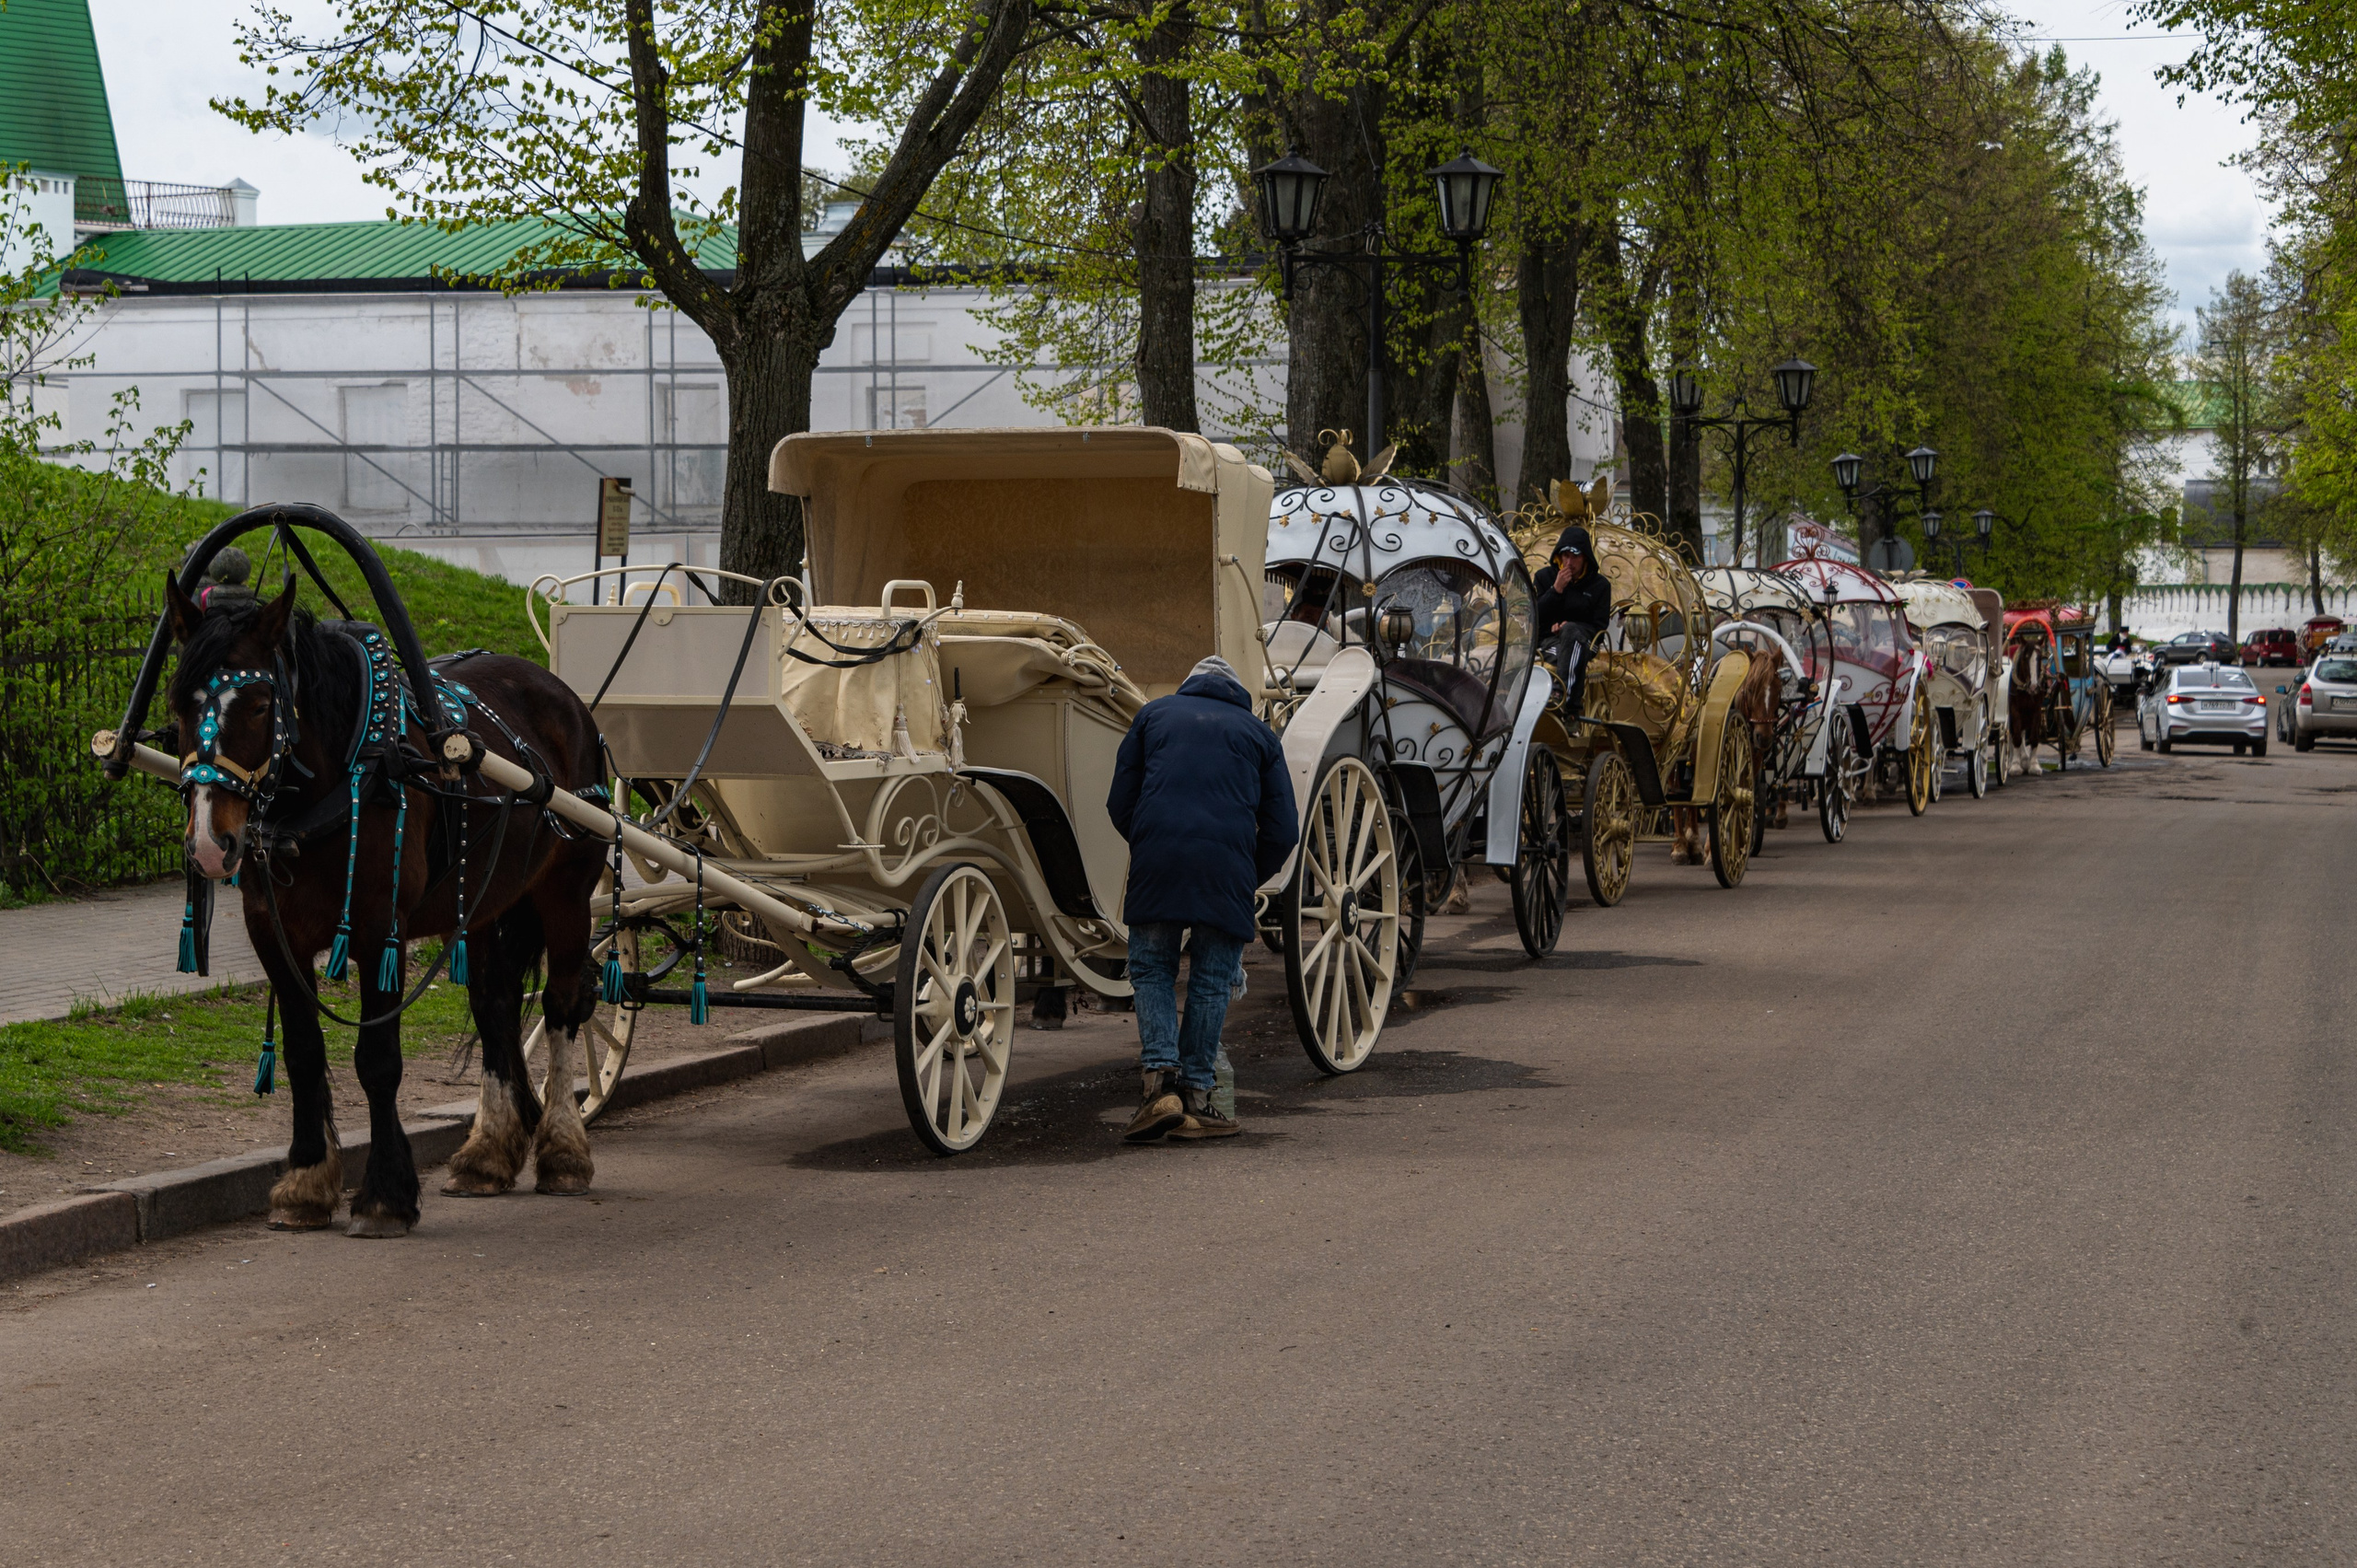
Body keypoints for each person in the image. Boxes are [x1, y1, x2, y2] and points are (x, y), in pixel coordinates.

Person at [1106, 653, 1298, 1143]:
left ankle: (1159, 1089)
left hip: (1159, 860)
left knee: (1151, 969)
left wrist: (1152, 841)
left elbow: (1119, 801)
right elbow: (1283, 830)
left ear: (1189, 686)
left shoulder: (1152, 714)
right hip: (1228, 869)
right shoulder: (1260, 734)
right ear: (1237, 693)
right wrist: (1245, 873)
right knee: (1211, 981)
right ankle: (1197, 1100)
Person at [1532, 525, 1613, 710]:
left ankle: (1560, 696)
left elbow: (1599, 629)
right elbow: (1534, 616)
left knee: (1572, 635)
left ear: (1585, 557)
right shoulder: (1544, 577)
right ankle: (1571, 709)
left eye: (1575, 556)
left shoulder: (1600, 586)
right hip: (1549, 643)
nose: (1569, 562)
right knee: (1567, 652)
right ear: (1559, 556)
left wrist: (1572, 627)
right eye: (1565, 556)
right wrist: (1556, 590)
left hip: (1585, 642)